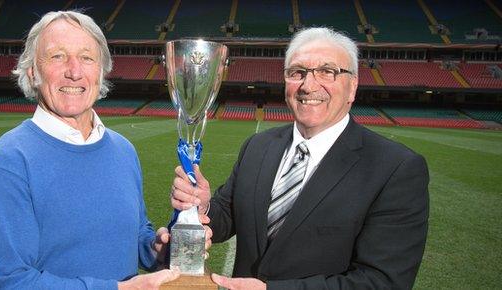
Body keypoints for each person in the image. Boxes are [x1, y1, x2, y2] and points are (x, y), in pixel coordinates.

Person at [171, 27, 429, 289]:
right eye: (297, 73)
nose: (308, 85)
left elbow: (383, 282)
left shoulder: (396, 169)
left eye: (328, 71)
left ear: (352, 87)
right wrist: (203, 208)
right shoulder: (258, 146)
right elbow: (229, 214)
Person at [0, 11, 185, 290]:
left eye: (86, 57)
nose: (74, 71)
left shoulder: (123, 150)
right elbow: (2, 281)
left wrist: (156, 248)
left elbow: (134, 233)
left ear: (101, 70)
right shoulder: (9, 158)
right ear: (33, 71)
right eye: (57, 56)